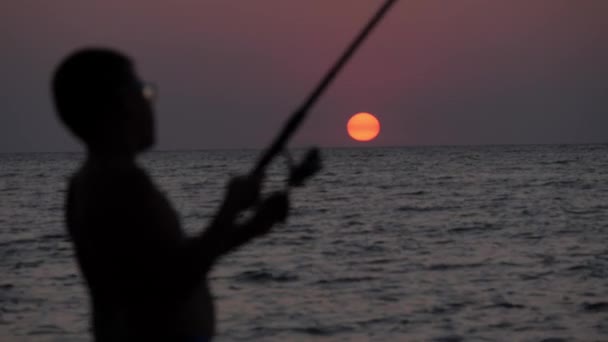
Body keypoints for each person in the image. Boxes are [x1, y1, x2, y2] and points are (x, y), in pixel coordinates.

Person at [51, 48, 289, 341]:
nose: (151, 104)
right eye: (144, 93)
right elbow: (171, 283)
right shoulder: (118, 183)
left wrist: (252, 227)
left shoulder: (87, 183)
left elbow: (168, 261)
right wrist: (231, 206)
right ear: (122, 103)